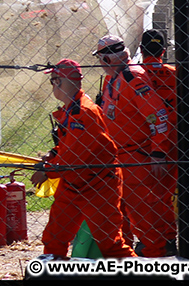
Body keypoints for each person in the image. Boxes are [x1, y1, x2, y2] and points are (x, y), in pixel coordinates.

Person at [30, 59, 136, 258]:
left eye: (53, 81)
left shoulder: (83, 113)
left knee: (111, 245)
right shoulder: (72, 110)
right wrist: (52, 155)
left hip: (98, 185)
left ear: (60, 82)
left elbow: (75, 158)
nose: (52, 86)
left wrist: (46, 171)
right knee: (54, 239)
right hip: (74, 183)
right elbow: (69, 147)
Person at [93, 34, 177, 257]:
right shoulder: (116, 77)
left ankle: (156, 254)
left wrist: (158, 152)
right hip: (122, 156)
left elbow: (158, 115)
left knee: (143, 213)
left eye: (101, 58)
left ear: (107, 60)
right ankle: (138, 253)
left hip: (136, 156)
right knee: (128, 213)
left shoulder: (132, 77)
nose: (100, 64)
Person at [139, 30, 178, 220]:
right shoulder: (176, 74)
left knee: (136, 193)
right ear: (163, 51)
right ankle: (167, 237)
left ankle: (149, 238)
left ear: (141, 50)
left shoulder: (134, 74)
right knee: (164, 193)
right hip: (172, 138)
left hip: (140, 139)